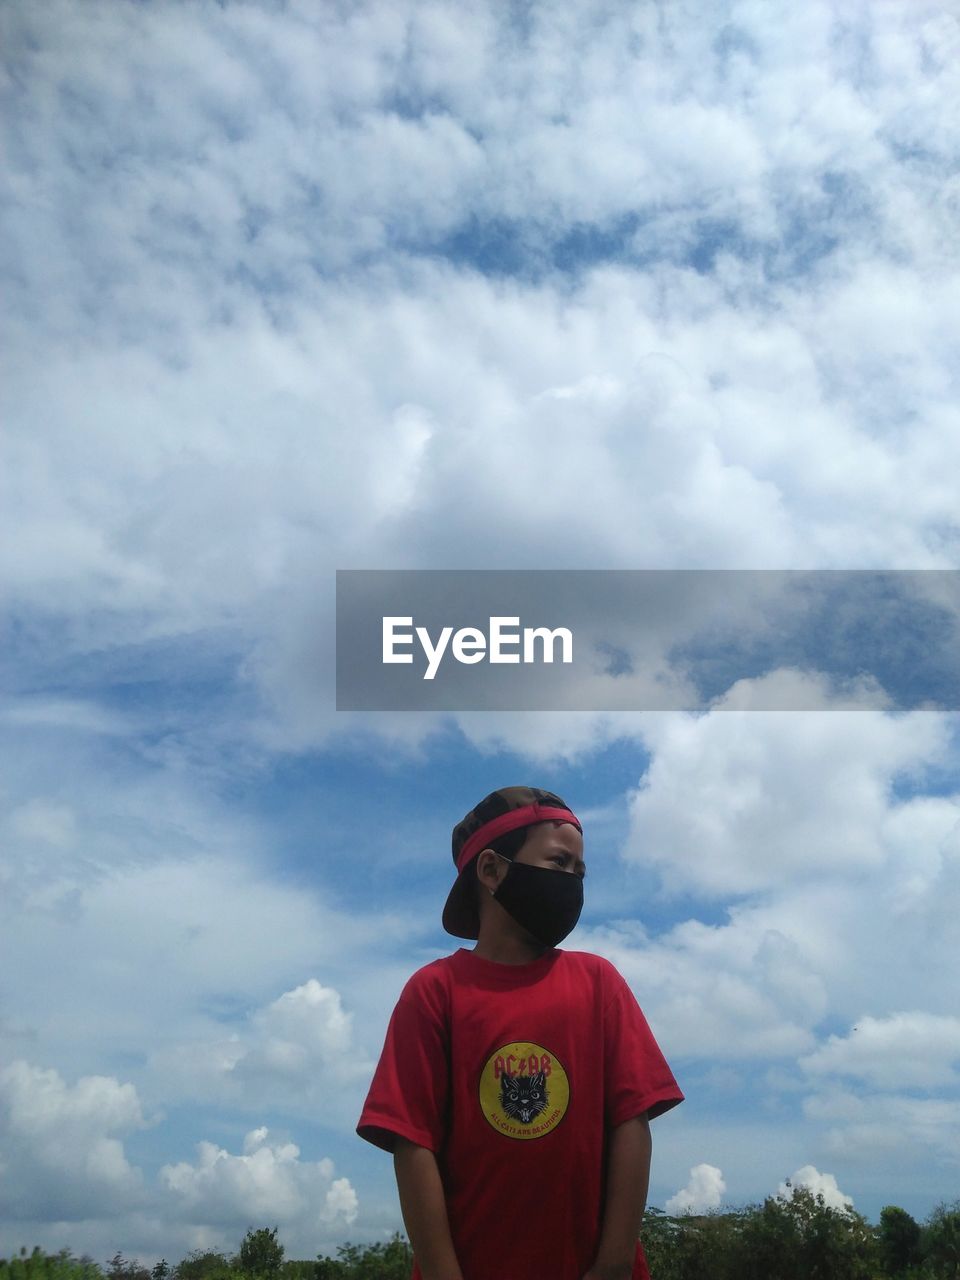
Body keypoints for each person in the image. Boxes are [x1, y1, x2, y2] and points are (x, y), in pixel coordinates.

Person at [357, 786, 683, 1280]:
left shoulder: (599, 983)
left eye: (580, 871)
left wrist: (614, 1263)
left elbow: (632, 1121)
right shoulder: (434, 992)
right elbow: (413, 1142)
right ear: (491, 871)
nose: (572, 881)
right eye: (558, 863)